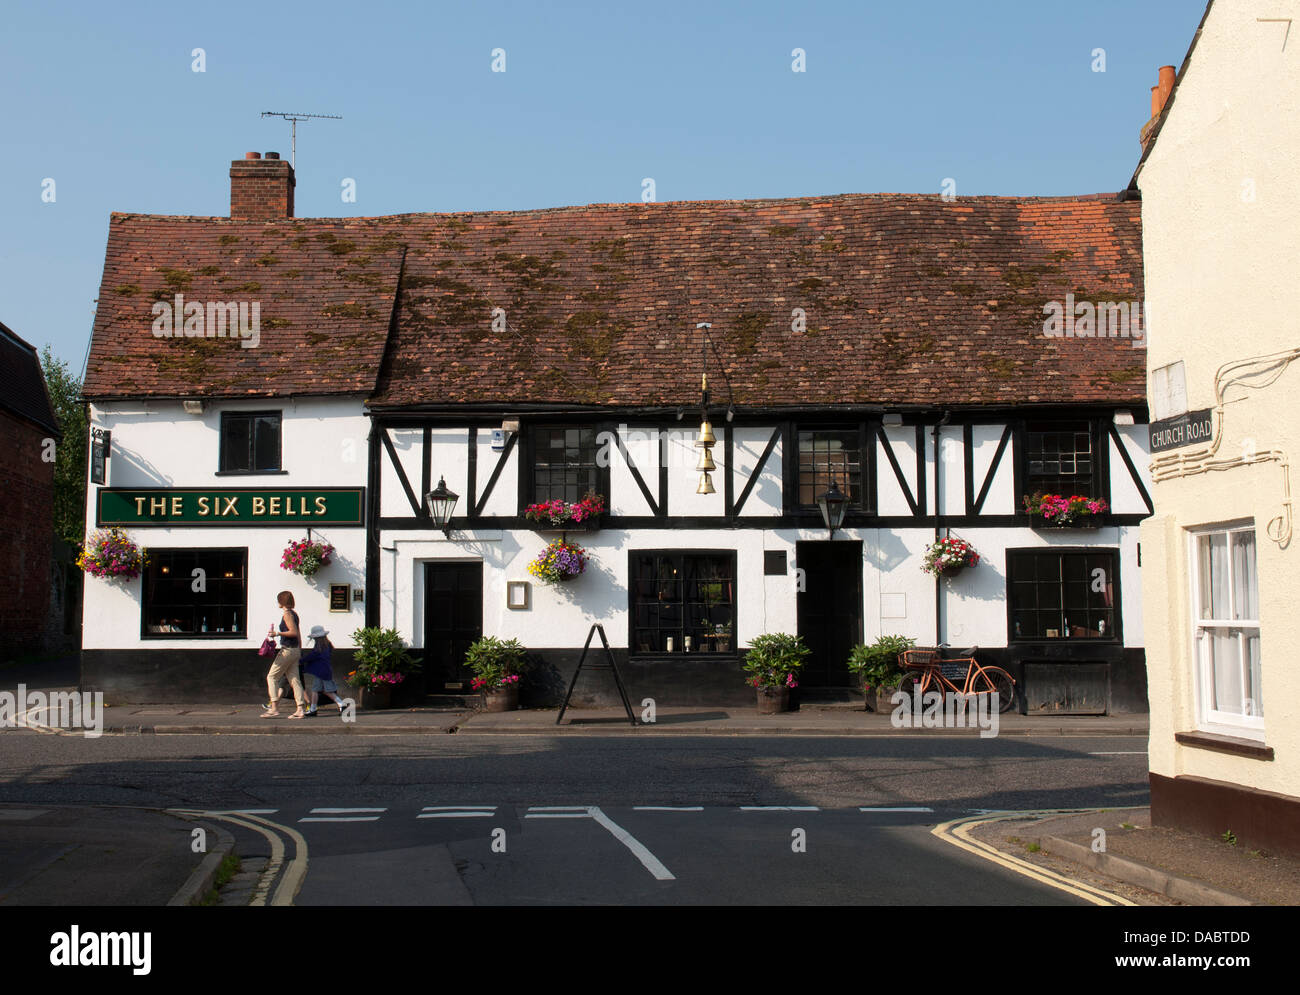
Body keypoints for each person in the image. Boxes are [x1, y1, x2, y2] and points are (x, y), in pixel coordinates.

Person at [262, 591, 306, 719]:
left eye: (278, 600)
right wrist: (300, 649)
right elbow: (298, 634)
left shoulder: (287, 614)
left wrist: (277, 633)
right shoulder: (294, 614)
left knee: (272, 677)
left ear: (281, 602)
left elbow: (293, 632)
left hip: (287, 650)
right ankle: (300, 709)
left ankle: (274, 708)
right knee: (294, 680)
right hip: (295, 650)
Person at [299, 626, 348, 717]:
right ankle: (313, 709)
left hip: (321, 672)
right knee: (316, 690)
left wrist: (301, 660)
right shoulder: (327, 645)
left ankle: (341, 704)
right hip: (324, 672)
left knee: (327, 691)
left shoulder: (319, 647)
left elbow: (312, 656)